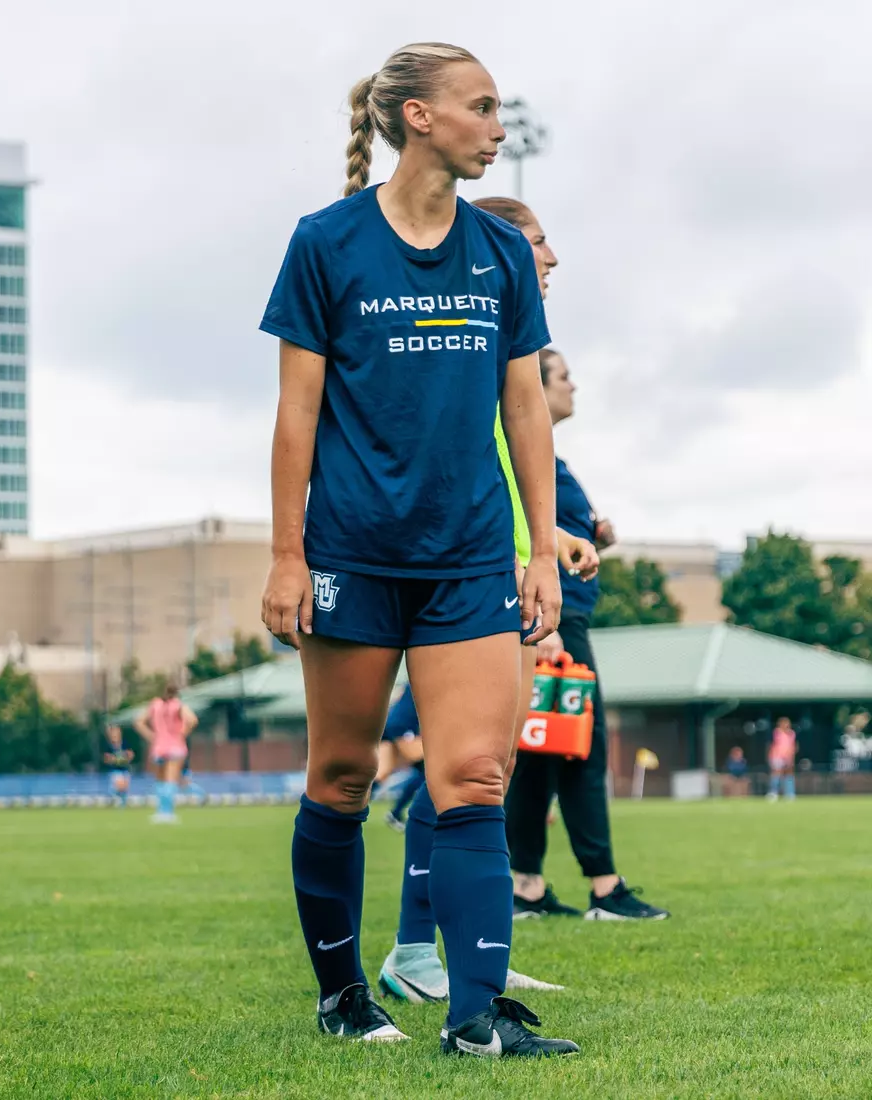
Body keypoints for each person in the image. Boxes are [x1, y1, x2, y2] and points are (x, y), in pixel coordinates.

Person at [259, 43, 579, 1057]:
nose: (495, 124)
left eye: (497, 110)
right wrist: (284, 553)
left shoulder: (495, 252)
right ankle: (343, 993)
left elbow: (524, 403)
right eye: (479, 107)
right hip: (352, 551)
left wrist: (537, 547)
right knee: (343, 776)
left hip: (471, 555)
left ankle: (476, 1013)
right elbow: (295, 415)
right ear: (417, 119)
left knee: (475, 774)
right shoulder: (326, 243)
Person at [378, 194, 596, 1004]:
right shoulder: (482, 349)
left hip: (502, 563)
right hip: (474, 573)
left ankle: (462, 952)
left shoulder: (504, 342)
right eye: (540, 240)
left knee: (483, 773)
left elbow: (506, 467)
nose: (551, 257)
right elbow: (476, 465)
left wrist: (550, 541)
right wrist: (513, 557)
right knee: (466, 772)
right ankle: (414, 950)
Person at [505, 347, 671, 921]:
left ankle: (523, 885)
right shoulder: (519, 447)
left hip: (556, 615)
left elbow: (555, 526)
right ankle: (605, 888)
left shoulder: (549, 455)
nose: (573, 386)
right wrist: (540, 626)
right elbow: (511, 524)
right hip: (551, 620)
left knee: (541, 753)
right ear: (536, 383)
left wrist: (594, 532)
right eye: (565, 377)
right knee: (581, 749)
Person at [134, 683, 199, 825]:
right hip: (175, 746)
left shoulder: (155, 704)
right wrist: (182, 734)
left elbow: (139, 721)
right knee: (171, 779)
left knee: (161, 779)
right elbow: (193, 720)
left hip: (158, 746)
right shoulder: (178, 705)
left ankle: (160, 812)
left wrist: (151, 736)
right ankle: (168, 813)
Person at [375, 684, 425, 831]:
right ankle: (396, 813)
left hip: (390, 723)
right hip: (402, 726)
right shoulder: (428, 677)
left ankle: (349, 812)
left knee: (381, 773)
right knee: (428, 770)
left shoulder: (410, 682)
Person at [102, 723, 134, 808]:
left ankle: (122, 805)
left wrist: (125, 758)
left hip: (125, 769)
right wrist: (115, 759)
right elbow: (106, 759)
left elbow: (130, 755)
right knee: (120, 785)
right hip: (115, 770)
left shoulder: (125, 743)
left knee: (125, 787)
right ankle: (114, 797)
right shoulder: (109, 746)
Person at [767, 717, 798, 801]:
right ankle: (773, 792)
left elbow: (793, 746)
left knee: (789, 775)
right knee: (776, 774)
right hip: (777, 757)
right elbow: (772, 745)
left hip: (788, 757)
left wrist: (791, 757)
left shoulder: (792, 734)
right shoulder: (777, 733)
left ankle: (790, 793)